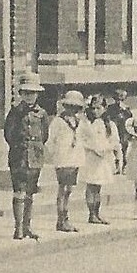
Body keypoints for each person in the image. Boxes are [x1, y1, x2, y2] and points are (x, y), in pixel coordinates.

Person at [3, 71, 49, 241]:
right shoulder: (15, 112)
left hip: (35, 157)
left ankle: (28, 226)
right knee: (19, 192)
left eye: (33, 93)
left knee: (30, 192)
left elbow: (44, 135)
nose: (30, 96)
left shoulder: (42, 114)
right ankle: (18, 228)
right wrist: (19, 147)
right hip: (19, 157)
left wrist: (35, 149)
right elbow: (9, 134)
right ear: (21, 94)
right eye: (26, 93)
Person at [45, 90, 89, 232]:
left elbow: (86, 136)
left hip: (74, 158)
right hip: (63, 158)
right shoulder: (58, 121)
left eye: (76, 107)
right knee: (63, 189)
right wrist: (55, 155)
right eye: (70, 106)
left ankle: (65, 218)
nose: (73, 109)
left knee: (69, 189)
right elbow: (49, 141)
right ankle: (61, 219)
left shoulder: (79, 122)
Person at [79, 93, 116, 225]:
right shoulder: (86, 124)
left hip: (103, 159)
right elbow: (81, 139)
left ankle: (97, 212)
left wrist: (106, 149)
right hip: (90, 158)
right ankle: (91, 214)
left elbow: (114, 141)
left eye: (98, 108)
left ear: (105, 108)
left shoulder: (109, 124)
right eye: (93, 108)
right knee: (91, 186)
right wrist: (92, 148)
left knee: (98, 187)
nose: (95, 111)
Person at [105, 88, 134, 174]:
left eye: (120, 99)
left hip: (123, 130)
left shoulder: (126, 108)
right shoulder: (110, 108)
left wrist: (125, 110)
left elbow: (130, 119)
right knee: (115, 147)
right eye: (117, 99)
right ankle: (117, 166)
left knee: (124, 147)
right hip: (115, 129)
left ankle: (125, 165)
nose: (118, 101)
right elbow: (107, 117)